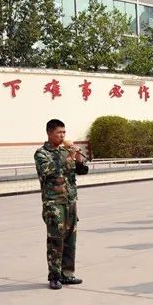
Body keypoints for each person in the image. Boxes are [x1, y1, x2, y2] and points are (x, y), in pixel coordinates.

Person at [34, 119, 89, 290]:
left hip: (70, 201)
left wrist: (78, 158)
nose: (63, 135)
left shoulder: (66, 151)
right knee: (55, 240)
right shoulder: (42, 153)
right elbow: (47, 171)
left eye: (64, 132)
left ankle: (67, 274)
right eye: (59, 132)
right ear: (49, 133)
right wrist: (69, 157)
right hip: (54, 203)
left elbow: (82, 171)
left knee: (70, 240)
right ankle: (54, 276)